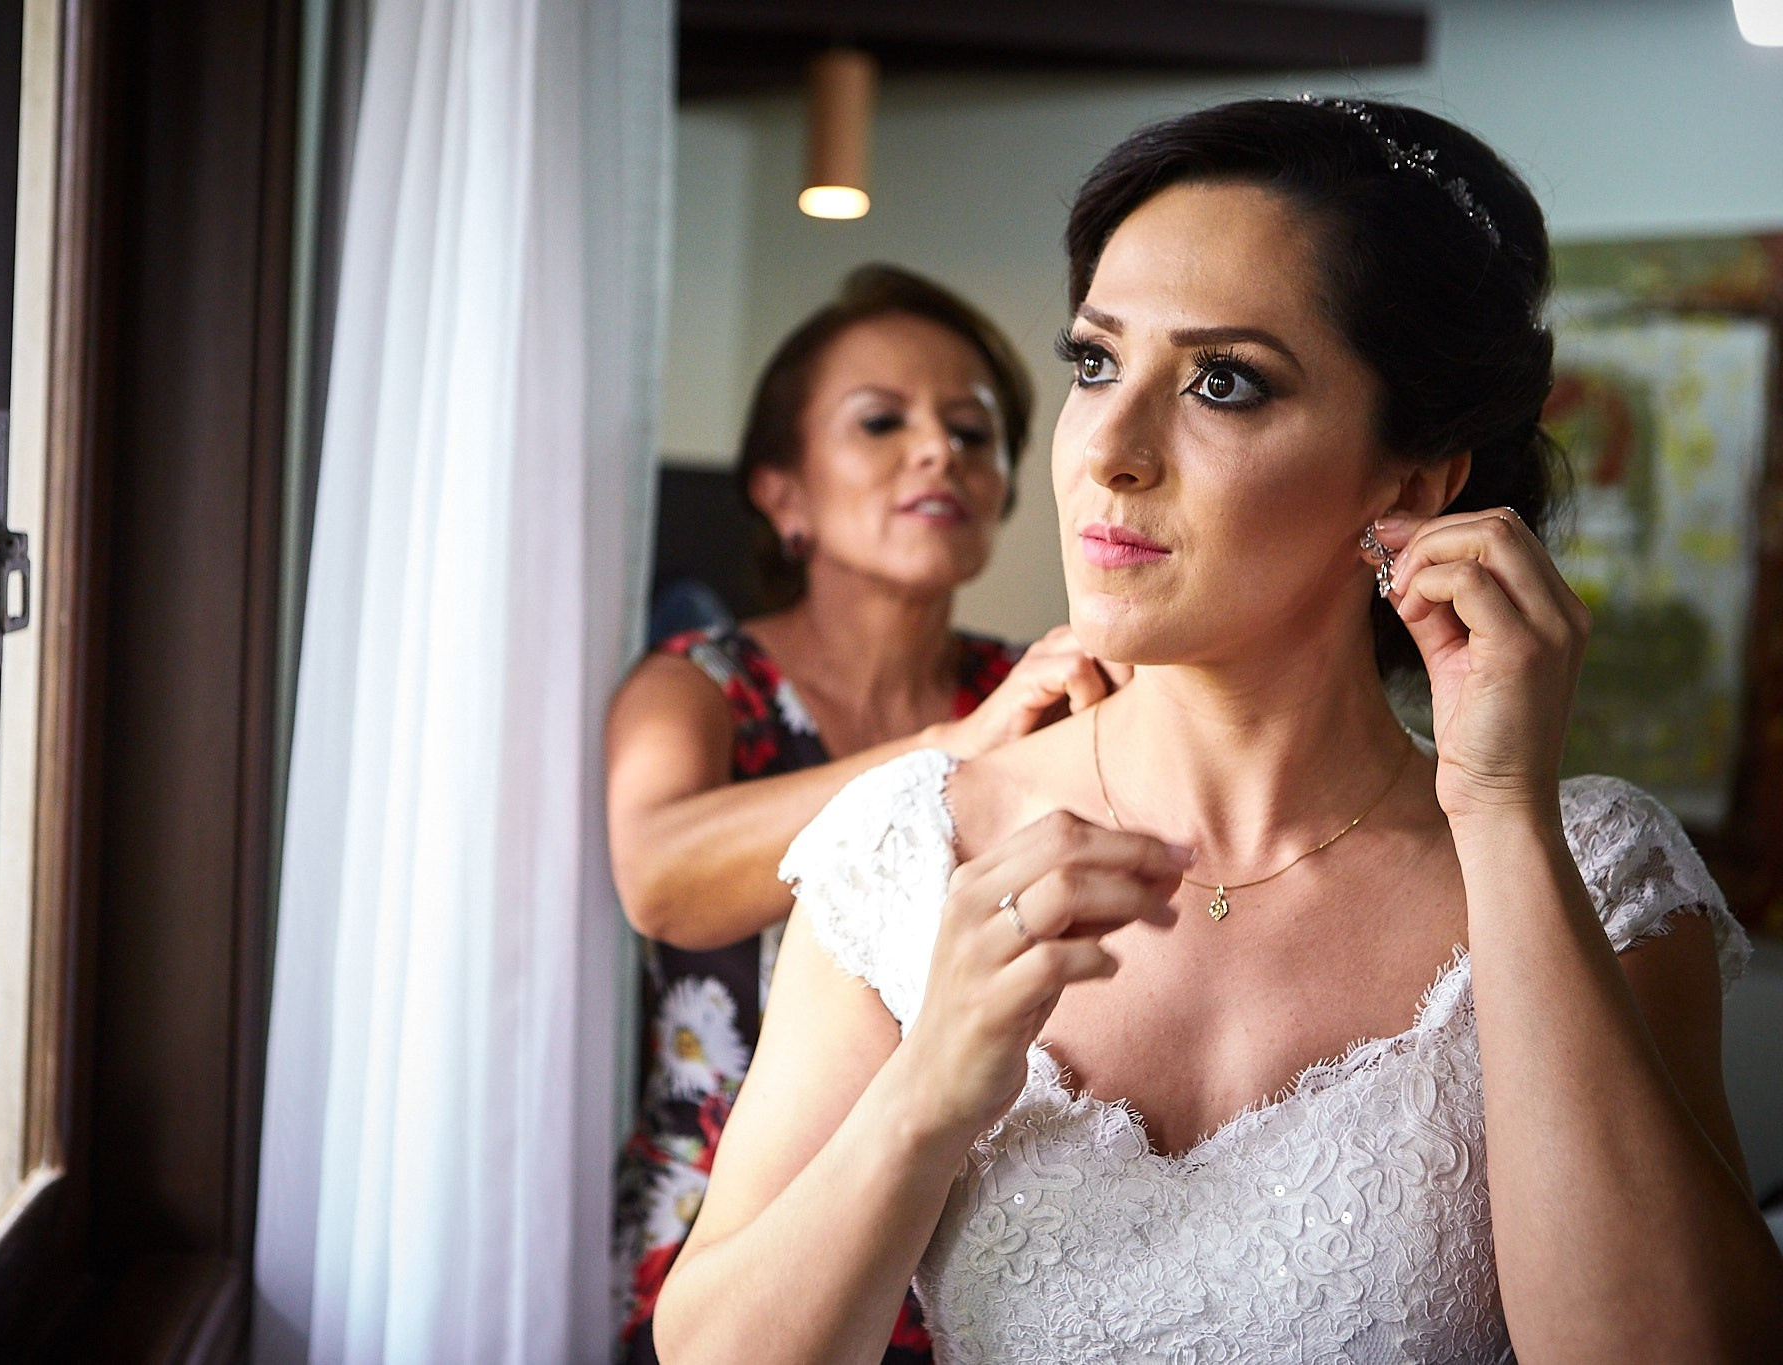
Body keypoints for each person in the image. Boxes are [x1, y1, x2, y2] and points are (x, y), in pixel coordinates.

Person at [655, 99, 1783, 1363]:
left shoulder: (1589, 869)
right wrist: (926, 1096)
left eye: (1222, 382)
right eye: (1094, 362)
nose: (1109, 453)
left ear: (1410, 482)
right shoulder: (911, 851)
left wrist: (1501, 818)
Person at [607, 265, 1121, 1361]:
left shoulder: (1046, 687)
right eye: (881, 422)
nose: (938, 451)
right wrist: (951, 747)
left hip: (974, 1262)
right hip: (725, 1257)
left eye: (972, 433)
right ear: (781, 490)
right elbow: (660, 879)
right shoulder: (694, 686)